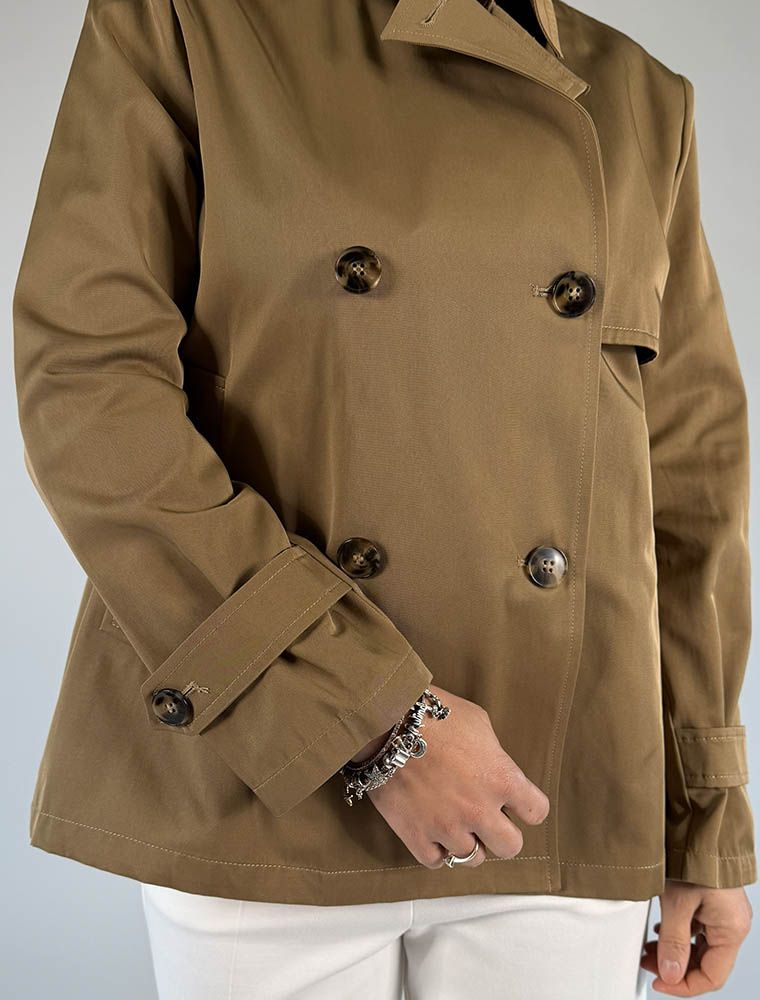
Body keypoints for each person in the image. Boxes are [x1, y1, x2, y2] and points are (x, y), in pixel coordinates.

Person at [13, 1, 755, 997]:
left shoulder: (639, 94)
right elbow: (89, 388)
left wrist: (701, 815)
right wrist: (372, 718)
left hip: (556, 789)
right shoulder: (189, 21)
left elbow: (689, 475)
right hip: (265, 780)